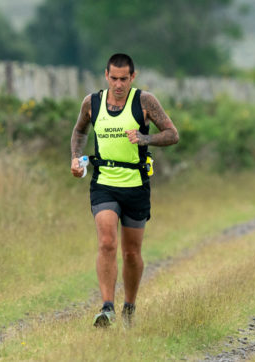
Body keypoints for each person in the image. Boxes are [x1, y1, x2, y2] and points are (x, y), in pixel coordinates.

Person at [70, 53, 179, 327]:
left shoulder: (145, 101)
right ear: (106, 76)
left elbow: (172, 134)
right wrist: (75, 157)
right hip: (104, 183)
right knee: (107, 242)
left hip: (136, 185)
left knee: (131, 253)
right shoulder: (91, 103)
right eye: (114, 78)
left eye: (124, 79)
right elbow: (79, 131)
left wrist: (145, 138)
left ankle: (129, 307)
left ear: (133, 77)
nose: (119, 85)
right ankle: (107, 307)